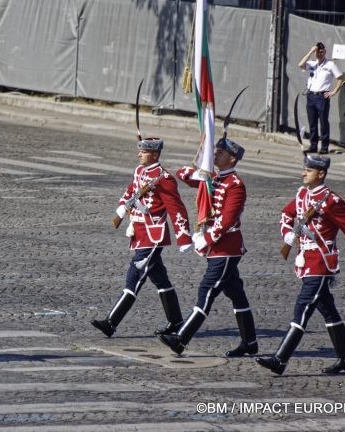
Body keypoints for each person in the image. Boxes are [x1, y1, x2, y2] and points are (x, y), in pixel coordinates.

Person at [256, 155, 345, 376]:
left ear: (320, 174)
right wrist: (287, 236)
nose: (303, 173)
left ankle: (280, 359)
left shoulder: (331, 201)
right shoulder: (302, 194)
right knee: (328, 312)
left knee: (302, 306)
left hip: (321, 262)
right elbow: (286, 213)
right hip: (305, 259)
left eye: (308, 170)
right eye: (304, 169)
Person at [159, 138, 258, 358]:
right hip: (216, 248)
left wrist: (208, 237)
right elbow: (183, 174)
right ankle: (250, 342)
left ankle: (181, 339)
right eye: (215, 151)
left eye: (220, 153)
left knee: (207, 290)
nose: (216, 154)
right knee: (237, 295)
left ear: (232, 159)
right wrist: (201, 159)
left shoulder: (235, 184)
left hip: (226, 248)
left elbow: (228, 219)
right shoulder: (212, 178)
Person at [91, 138, 193, 339]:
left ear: (155, 155)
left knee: (134, 277)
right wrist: (123, 205)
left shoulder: (164, 178)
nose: (139, 154)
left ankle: (111, 322)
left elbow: (176, 208)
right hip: (138, 232)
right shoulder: (140, 171)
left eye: (144, 151)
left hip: (153, 237)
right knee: (160, 279)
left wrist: (183, 236)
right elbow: (131, 190)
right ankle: (176, 321)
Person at [298, 42, 345, 154]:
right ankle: (313, 145)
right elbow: (300, 65)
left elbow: (340, 78)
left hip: (322, 96)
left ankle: (324, 146)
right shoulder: (312, 64)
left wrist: (333, 91)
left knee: (324, 122)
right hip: (311, 95)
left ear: (325, 52)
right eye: (318, 51)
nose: (320, 53)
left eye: (322, 51)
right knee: (312, 122)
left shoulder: (330, 65)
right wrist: (310, 51)